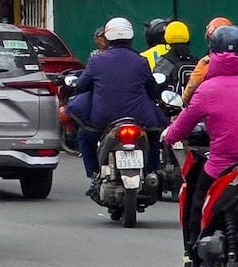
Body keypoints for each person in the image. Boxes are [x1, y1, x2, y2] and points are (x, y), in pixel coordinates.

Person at [160, 24, 238, 262]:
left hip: (221, 167)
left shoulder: (207, 90)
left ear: (212, 53)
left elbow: (179, 128)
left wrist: (168, 137)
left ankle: (192, 253)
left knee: (195, 199)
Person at [66, 17, 165, 183]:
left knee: (84, 137)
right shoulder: (141, 61)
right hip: (140, 118)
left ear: (107, 38)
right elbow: (153, 91)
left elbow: (81, 87)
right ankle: (151, 172)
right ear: (131, 38)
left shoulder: (96, 60)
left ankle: (94, 175)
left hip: (103, 119)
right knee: (155, 137)